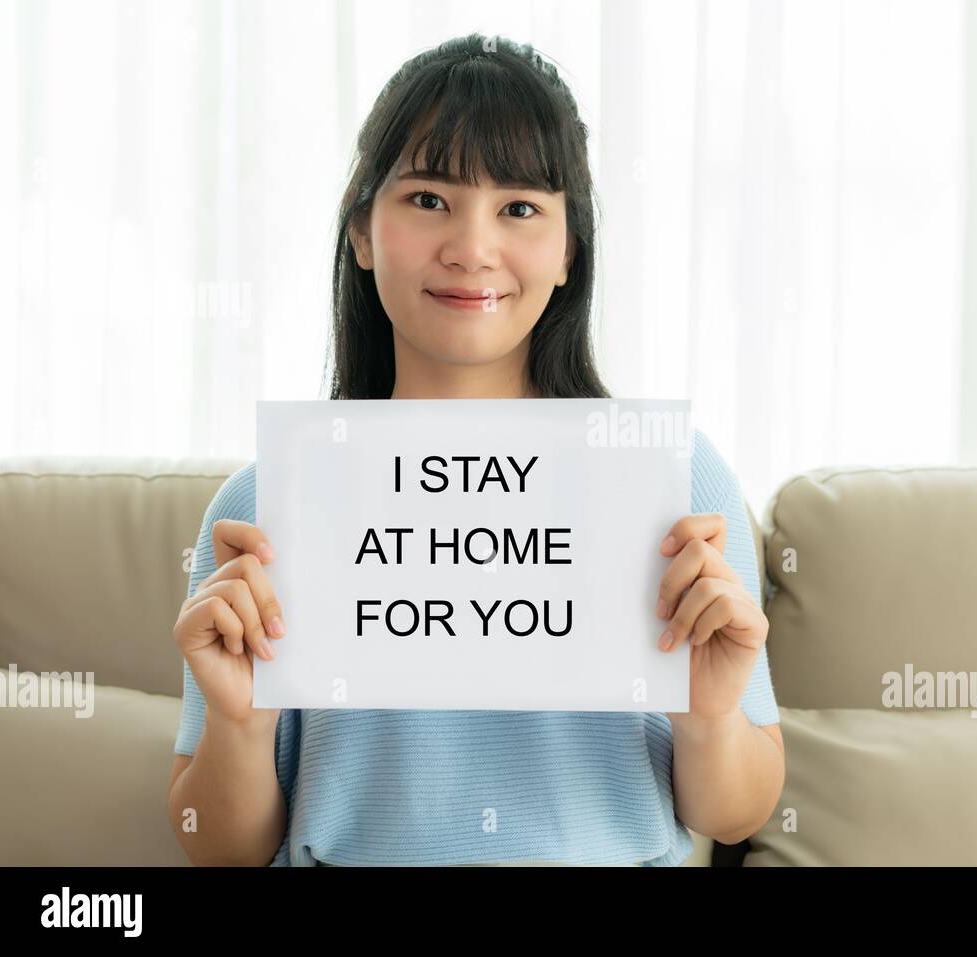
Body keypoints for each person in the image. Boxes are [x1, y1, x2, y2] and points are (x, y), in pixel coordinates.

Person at [165, 33, 784, 867]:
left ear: (569, 251)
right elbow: (220, 849)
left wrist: (706, 716)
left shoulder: (676, 477)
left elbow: (738, 811)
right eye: (427, 199)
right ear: (360, 233)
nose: (471, 246)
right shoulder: (265, 503)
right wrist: (241, 725)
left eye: (520, 208)